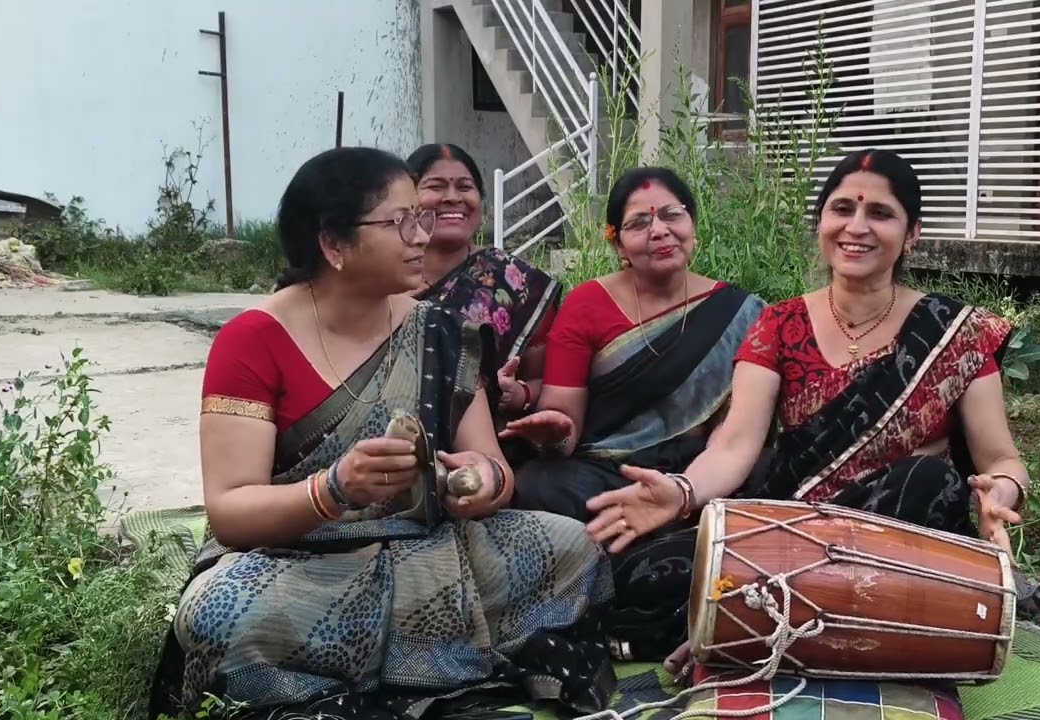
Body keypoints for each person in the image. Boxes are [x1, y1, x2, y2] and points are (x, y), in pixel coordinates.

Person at [148, 147, 615, 720]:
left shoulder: (441, 331)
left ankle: (372, 659)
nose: (422, 235)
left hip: (435, 550)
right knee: (217, 612)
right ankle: (432, 650)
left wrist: (471, 483)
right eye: (401, 221)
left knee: (573, 545)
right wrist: (334, 489)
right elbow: (231, 510)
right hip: (303, 563)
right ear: (334, 245)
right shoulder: (252, 340)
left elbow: (496, 471)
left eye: (419, 217)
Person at [582, 149, 1040, 673]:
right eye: (841, 209)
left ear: (911, 233)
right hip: (787, 529)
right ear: (821, 222)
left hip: (897, 537)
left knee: (931, 480)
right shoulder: (778, 324)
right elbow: (735, 446)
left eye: (880, 214)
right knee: (640, 576)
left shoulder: (955, 335)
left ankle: (744, 623)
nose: (856, 227)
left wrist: (1000, 491)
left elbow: (1003, 459)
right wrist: (682, 492)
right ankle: (779, 618)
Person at [499, 166, 768, 660]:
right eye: (639, 223)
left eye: (672, 215)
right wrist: (554, 431)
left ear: (693, 227)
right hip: (604, 467)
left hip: (697, 467)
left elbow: (735, 429)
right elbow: (564, 424)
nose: (660, 230)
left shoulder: (742, 313)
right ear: (618, 242)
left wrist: (694, 484)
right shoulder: (587, 305)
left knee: (752, 499)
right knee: (537, 486)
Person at [406, 143, 561, 420]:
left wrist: (521, 393)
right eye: (436, 186)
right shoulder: (379, 279)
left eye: (465, 187)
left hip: (488, 447)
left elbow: (550, 381)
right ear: (405, 201)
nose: (453, 197)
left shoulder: (513, 279)